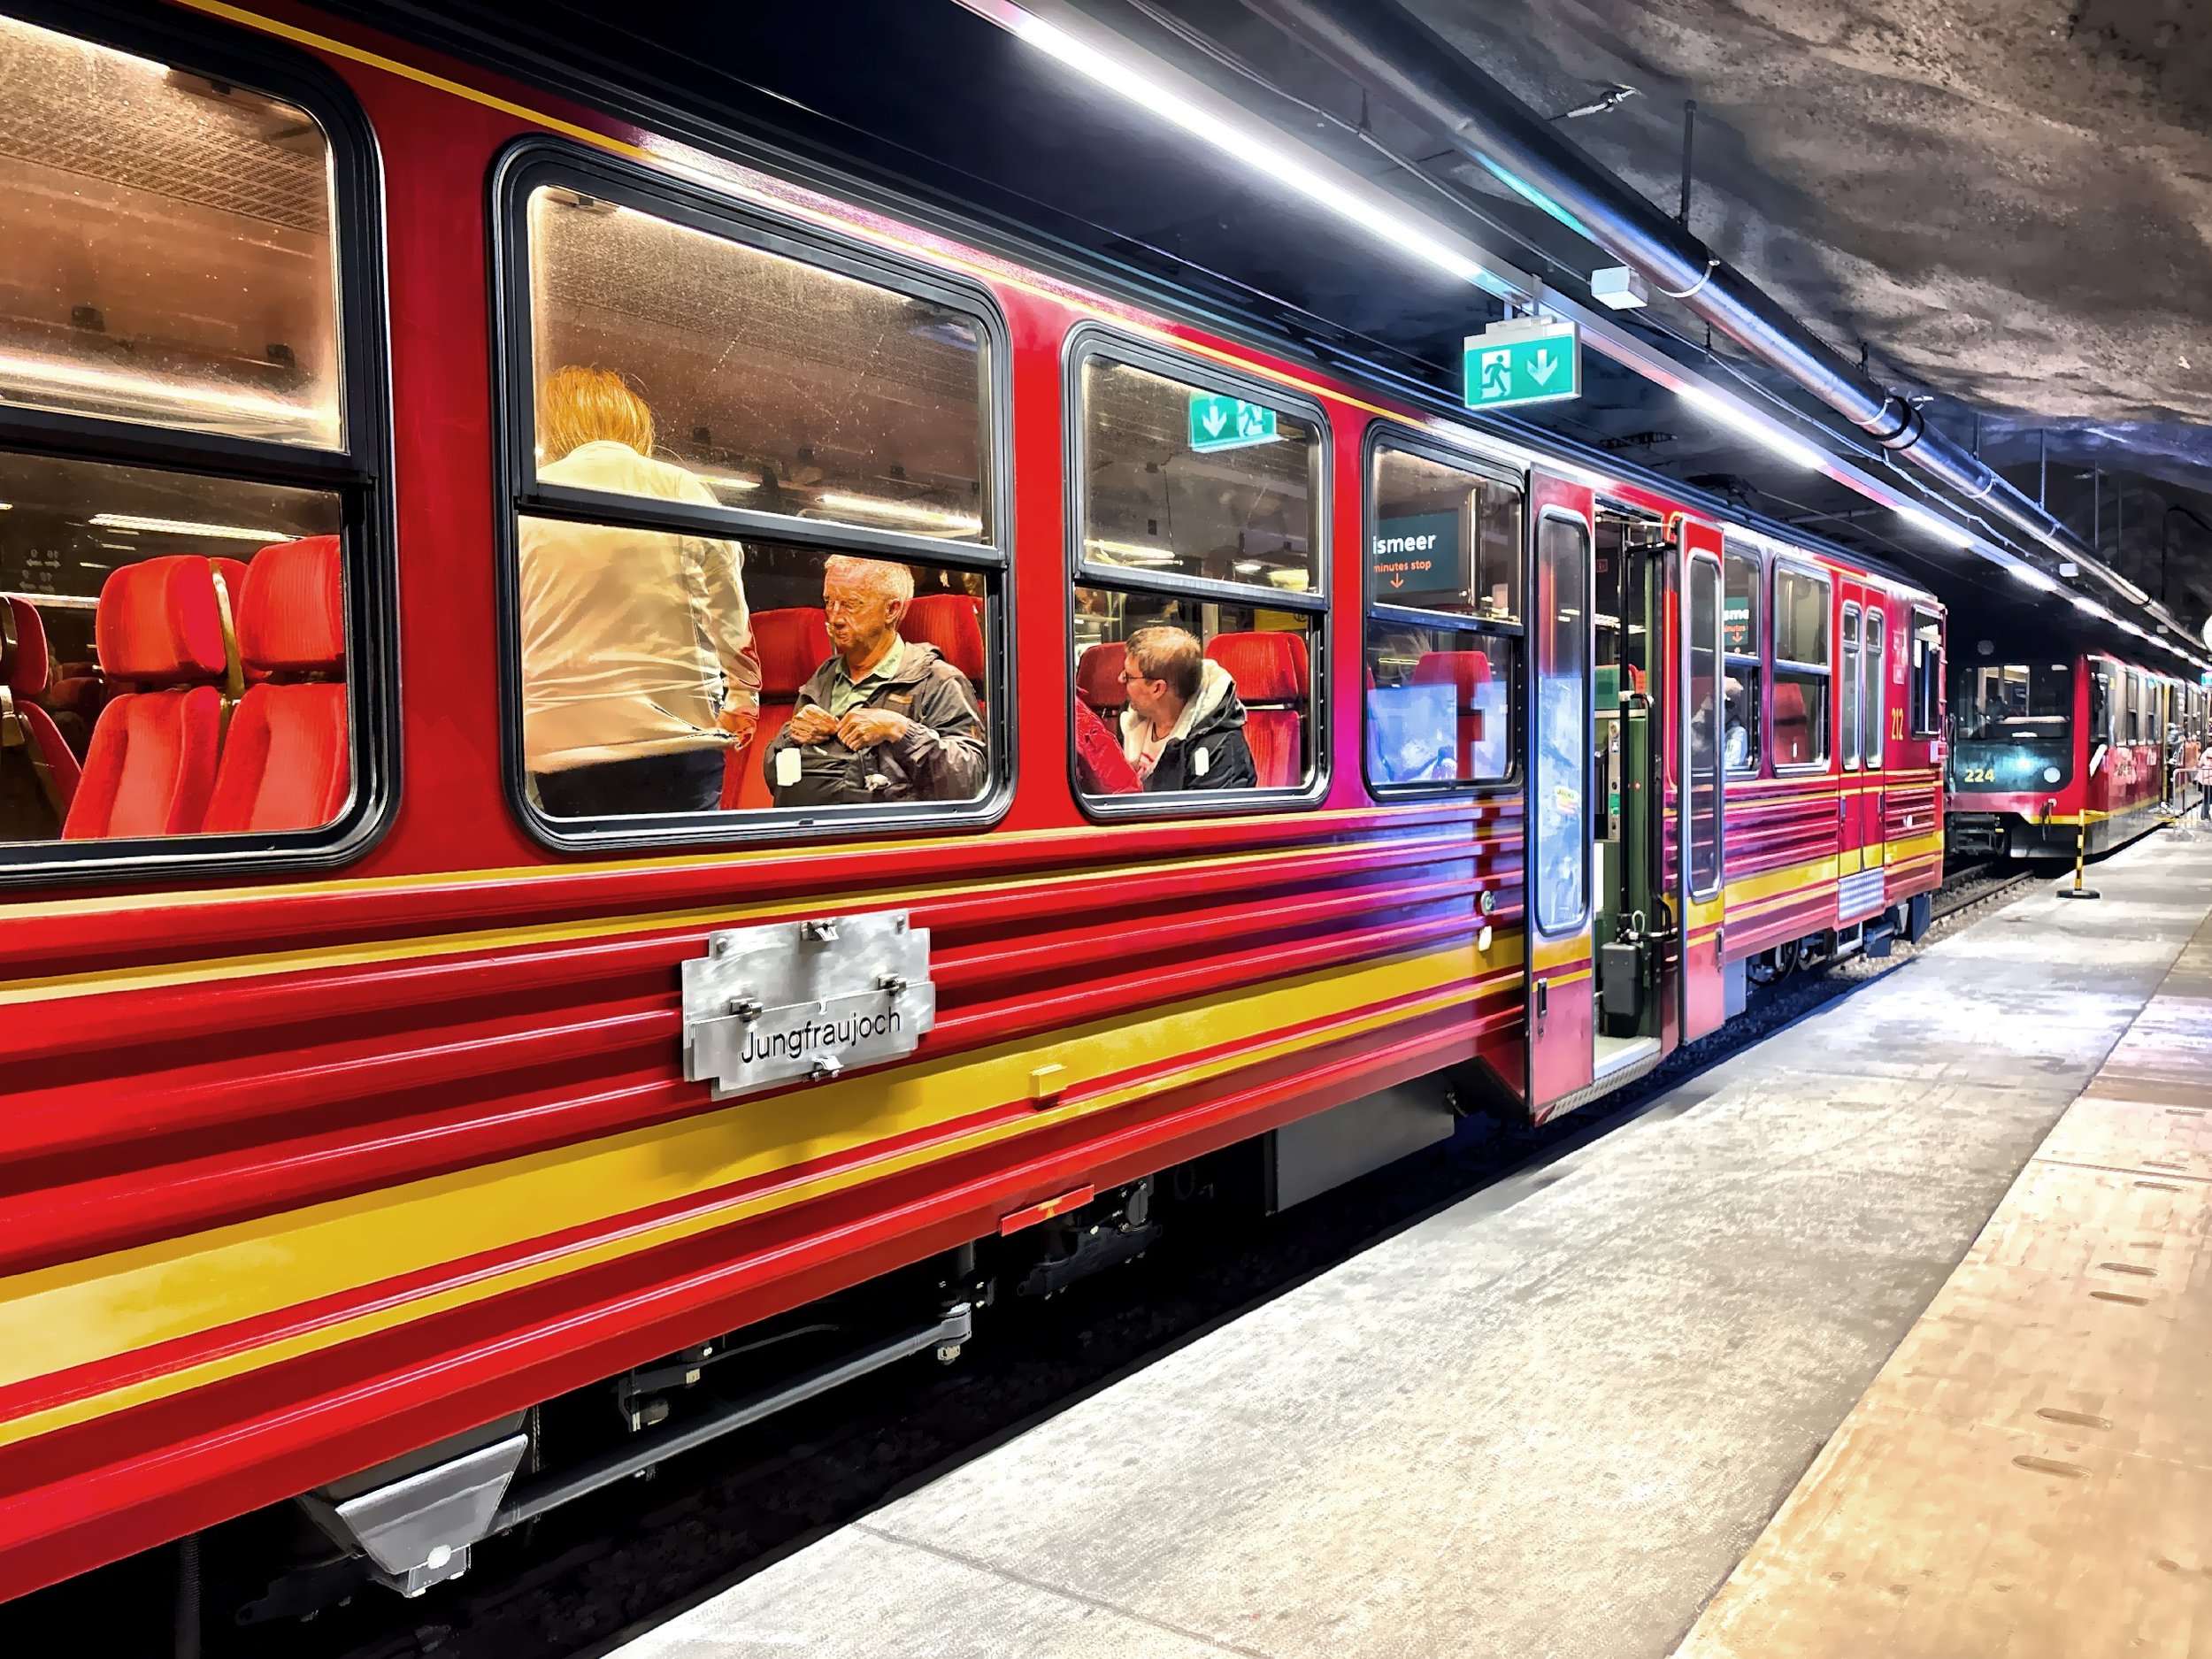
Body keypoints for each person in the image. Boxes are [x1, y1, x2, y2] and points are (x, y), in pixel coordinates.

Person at [519, 366, 759, 817]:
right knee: (677, 856)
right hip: (677, 732)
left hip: (561, 739)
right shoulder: (679, 488)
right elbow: (729, 617)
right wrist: (743, 703)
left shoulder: (528, 494)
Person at [764, 555, 986, 806]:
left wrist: (899, 730)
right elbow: (778, 780)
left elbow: (971, 781)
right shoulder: (822, 678)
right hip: (801, 825)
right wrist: (791, 737)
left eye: (850, 604)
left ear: (891, 610)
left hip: (880, 829)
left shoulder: (938, 681)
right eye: (829, 602)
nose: (834, 617)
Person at [1118, 625, 1258, 792]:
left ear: (1157, 688)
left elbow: (1205, 809)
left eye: (1128, 676)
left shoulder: (1221, 751)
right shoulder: (1131, 719)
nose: (1120, 679)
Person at [2196, 743, 2212, 821]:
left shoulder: (2205, 753)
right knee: (2209, 798)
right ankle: (2205, 814)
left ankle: (2204, 813)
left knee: (2206, 797)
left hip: (2204, 779)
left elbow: (2199, 764)